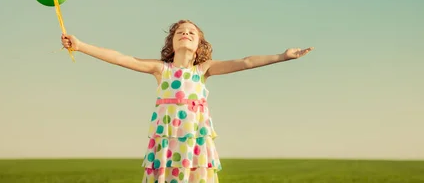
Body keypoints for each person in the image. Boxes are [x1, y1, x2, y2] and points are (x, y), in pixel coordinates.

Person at [60, 19, 314, 183]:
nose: (185, 33)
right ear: (171, 42)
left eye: (191, 32)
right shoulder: (161, 69)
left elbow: (246, 61)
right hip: (167, 148)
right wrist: (81, 46)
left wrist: (283, 56)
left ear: (200, 43)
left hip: (195, 148)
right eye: (180, 31)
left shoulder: (203, 70)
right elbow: (120, 57)